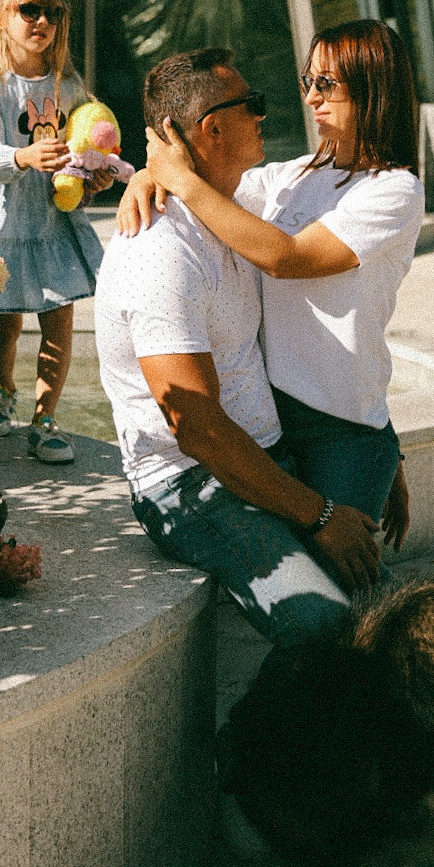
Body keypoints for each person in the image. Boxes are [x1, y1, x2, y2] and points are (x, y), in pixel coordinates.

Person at [95, 47, 383, 648]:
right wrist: (320, 514)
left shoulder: (234, 207)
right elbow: (195, 426)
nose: (265, 115)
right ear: (211, 128)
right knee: (326, 626)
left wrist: (155, 171)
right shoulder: (159, 251)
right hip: (191, 484)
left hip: (265, 462)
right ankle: (246, 744)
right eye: (251, 105)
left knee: (390, 610)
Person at [117, 19, 424, 551]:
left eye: (326, 84)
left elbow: (286, 257)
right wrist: (152, 174)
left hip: (342, 431)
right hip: (273, 424)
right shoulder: (290, 177)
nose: (309, 97)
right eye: (308, 81)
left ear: (372, 85)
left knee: (342, 592)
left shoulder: (394, 191)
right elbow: (212, 173)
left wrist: (179, 179)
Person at [0, 0, 113, 463]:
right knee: (3, 324)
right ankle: (1, 389)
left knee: (59, 321)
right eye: (30, 10)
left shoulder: (68, 85)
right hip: (5, 227)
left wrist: (95, 176)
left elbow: (82, 153)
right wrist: (21, 156)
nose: (42, 21)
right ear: (1, 15)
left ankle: (46, 419)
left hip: (54, 224)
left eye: (53, 12)